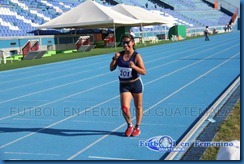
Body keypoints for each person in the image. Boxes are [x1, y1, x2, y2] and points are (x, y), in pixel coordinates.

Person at [110, 34, 146, 137]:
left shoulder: (136, 56)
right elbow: (111, 68)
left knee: (138, 107)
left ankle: (137, 127)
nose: (125, 45)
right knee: (124, 107)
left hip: (136, 84)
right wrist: (114, 59)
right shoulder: (119, 55)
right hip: (124, 85)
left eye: (127, 42)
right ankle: (130, 125)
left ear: (133, 42)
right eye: (123, 43)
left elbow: (144, 71)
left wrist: (134, 67)